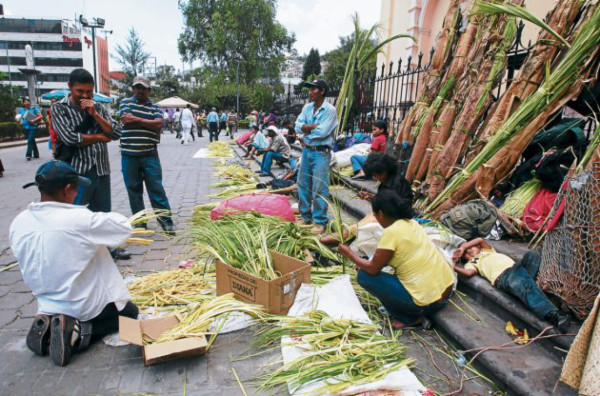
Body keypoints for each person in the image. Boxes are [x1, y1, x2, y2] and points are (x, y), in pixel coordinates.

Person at [9, 160, 139, 366]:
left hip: (47, 304)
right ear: (67, 189)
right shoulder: (80, 219)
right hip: (81, 305)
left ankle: (50, 323)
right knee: (130, 313)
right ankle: (78, 330)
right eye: (76, 189)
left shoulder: (19, 222)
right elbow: (123, 229)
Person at [338, 190, 455, 329]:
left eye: (375, 215)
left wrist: (349, 253)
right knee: (368, 269)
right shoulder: (411, 223)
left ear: (381, 214)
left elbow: (373, 269)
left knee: (364, 276)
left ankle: (409, 318)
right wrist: (363, 263)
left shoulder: (391, 232)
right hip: (446, 293)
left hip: (428, 304)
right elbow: (394, 256)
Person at [51, 68, 130, 261]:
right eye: (80, 91)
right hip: (77, 171)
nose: (85, 96)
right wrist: (99, 137)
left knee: (103, 213)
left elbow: (116, 133)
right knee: (77, 214)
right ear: (70, 88)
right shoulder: (59, 108)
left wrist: (95, 114)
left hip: (101, 168)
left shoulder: (99, 108)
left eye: (89, 91)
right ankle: (78, 253)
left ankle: (108, 249)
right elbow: (70, 138)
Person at [453, 238, 569, 332]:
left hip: (517, 267)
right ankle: (554, 315)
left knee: (533, 255)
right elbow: (468, 273)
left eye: (470, 248)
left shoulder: (487, 250)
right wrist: (454, 266)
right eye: (466, 254)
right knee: (520, 283)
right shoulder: (472, 263)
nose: (469, 252)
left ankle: (530, 292)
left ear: (477, 247)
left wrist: (463, 247)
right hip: (504, 277)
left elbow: (480, 239)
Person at [119, 75, 175, 235]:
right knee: (134, 190)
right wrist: (149, 122)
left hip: (150, 154)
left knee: (156, 189)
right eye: (137, 87)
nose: (140, 90)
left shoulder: (156, 107)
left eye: (143, 88)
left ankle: (166, 222)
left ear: (149, 90)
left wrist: (136, 119)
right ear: (133, 89)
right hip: (129, 155)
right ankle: (140, 223)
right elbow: (126, 120)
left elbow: (159, 124)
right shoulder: (125, 103)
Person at [321, 152, 413, 246]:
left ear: (387, 169)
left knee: (366, 222)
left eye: (379, 174)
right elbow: (387, 200)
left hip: (396, 216)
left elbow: (396, 204)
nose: (377, 178)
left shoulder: (396, 182)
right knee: (366, 220)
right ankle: (346, 235)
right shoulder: (386, 181)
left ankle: (344, 236)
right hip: (387, 213)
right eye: (374, 175)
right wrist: (371, 196)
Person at [294, 79, 338, 235]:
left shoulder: (330, 110)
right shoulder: (307, 108)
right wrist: (310, 127)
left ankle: (319, 221)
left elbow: (323, 132)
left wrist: (305, 133)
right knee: (303, 184)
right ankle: (305, 217)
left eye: (314, 89)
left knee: (319, 187)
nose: (310, 92)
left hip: (321, 152)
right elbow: (297, 125)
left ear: (322, 91)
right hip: (307, 151)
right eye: (310, 89)